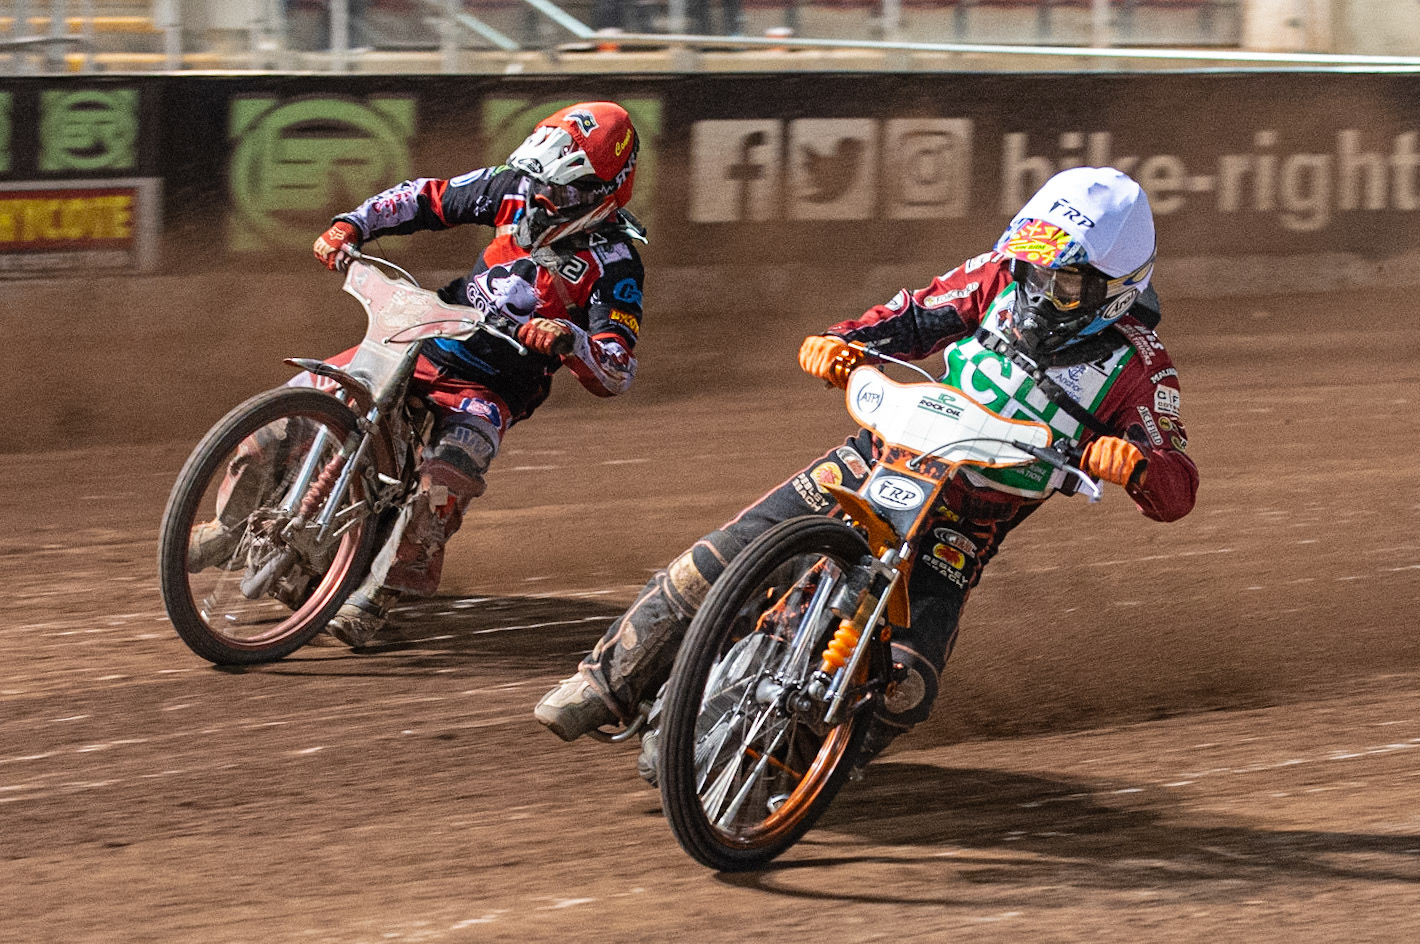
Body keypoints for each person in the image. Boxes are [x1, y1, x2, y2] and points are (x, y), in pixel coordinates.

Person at [533, 166, 1198, 776]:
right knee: (720, 558)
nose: (1036, 286)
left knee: (908, 684)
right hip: (880, 455)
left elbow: (1176, 484)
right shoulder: (998, 278)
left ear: (1116, 287)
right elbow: (915, 316)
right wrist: (847, 344)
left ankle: (807, 766)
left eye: (1063, 279)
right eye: (1032, 267)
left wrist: (1138, 465)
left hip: (961, 527)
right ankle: (606, 682)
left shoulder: (1139, 368)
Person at [284, 102, 644, 646]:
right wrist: (352, 223)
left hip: (494, 385)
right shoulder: (515, 187)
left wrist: (572, 341)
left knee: (444, 484)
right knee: (301, 396)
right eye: (539, 182)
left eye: (563, 192)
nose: (543, 198)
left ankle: (379, 594)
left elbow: (618, 366)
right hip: (427, 337)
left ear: (605, 191)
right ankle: (229, 517)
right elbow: (427, 197)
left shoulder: (616, 262)